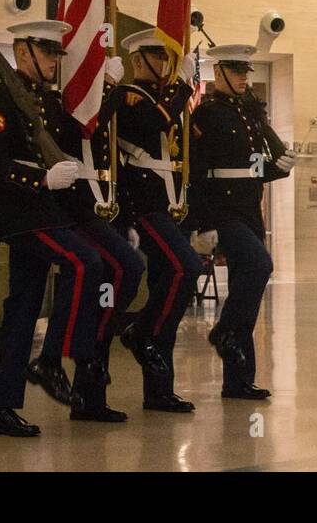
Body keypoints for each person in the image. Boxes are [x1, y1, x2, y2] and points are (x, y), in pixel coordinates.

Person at [0, 20, 107, 437]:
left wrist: (107, 89)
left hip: (44, 212)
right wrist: (41, 180)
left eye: (56, 53)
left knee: (23, 311)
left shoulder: (46, 101)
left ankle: (2, 410)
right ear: (23, 51)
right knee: (86, 263)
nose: (53, 60)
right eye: (47, 51)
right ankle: (50, 360)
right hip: (20, 214)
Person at [27, 49, 144, 423]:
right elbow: (83, 128)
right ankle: (69, 361)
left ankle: (89, 377)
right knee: (100, 274)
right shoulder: (65, 105)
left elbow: (112, 164)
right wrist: (106, 88)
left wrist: (126, 218)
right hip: (74, 210)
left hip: (100, 210)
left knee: (126, 271)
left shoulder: (84, 103)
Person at [188, 43, 296, 400]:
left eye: (245, 72)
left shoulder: (249, 116)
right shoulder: (207, 113)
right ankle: (224, 332)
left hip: (249, 209)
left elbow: (250, 168)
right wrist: (202, 222)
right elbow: (198, 170)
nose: (242, 78)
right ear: (218, 73)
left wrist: (277, 169)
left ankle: (238, 380)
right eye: (235, 71)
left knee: (245, 291)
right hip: (222, 209)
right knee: (260, 265)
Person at [104, 29, 203, 413]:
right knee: (186, 269)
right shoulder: (129, 96)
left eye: (167, 58)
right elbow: (153, 126)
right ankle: (139, 331)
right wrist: (182, 86)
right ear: (137, 60)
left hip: (169, 203)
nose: (164, 64)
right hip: (142, 205)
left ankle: (159, 390)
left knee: (170, 283)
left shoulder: (165, 99)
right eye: (156, 57)